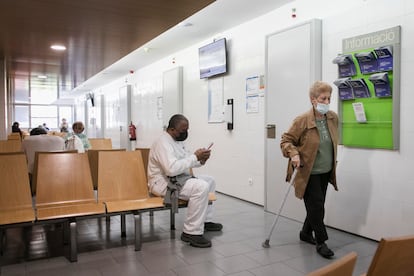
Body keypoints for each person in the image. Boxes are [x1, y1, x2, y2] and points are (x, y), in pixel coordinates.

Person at [280, 81, 339, 259]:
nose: (327, 101)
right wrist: (294, 154)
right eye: (323, 98)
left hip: (326, 170)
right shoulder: (302, 120)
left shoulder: (333, 118)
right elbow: (285, 141)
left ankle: (305, 233)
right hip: (308, 171)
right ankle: (321, 241)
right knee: (317, 207)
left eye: (329, 98)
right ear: (313, 99)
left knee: (316, 205)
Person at [147, 114, 222, 248]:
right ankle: (191, 232)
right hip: (162, 183)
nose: (185, 133)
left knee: (210, 181)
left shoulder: (178, 141)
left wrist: (201, 159)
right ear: (171, 129)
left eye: (187, 129)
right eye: (183, 131)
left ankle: (205, 221)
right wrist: (194, 157)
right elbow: (171, 169)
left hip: (178, 178)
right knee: (201, 187)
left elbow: (187, 161)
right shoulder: (162, 143)